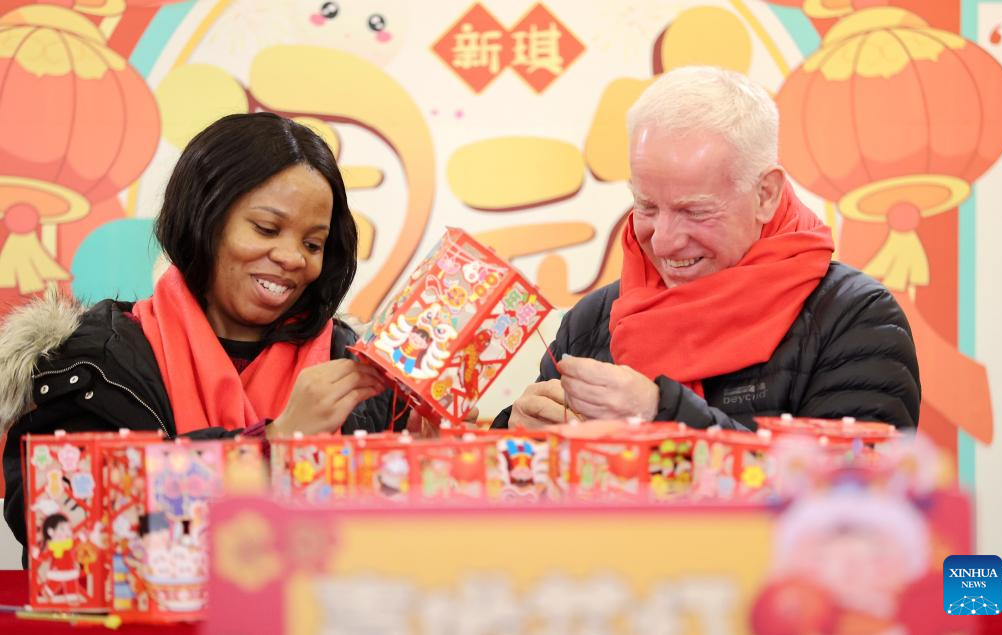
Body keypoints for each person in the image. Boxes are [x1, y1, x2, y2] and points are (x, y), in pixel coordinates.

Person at [0, 113, 408, 563]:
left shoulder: (356, 365)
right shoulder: (94, 362)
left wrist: (432, 452)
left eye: (313, 244)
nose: (293, 258)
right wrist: (271, 443)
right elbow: (57, 528)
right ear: (205, 218)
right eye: (267, 229)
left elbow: (398, 549)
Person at [494, 66, 920, 431]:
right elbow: (527, 484)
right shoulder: (594, 321)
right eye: (646, 206)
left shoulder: (854, 318)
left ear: (766, 194)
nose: (663, 240)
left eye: (694, 212)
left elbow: (856, 490)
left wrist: (660, 414)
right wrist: (517, 433)